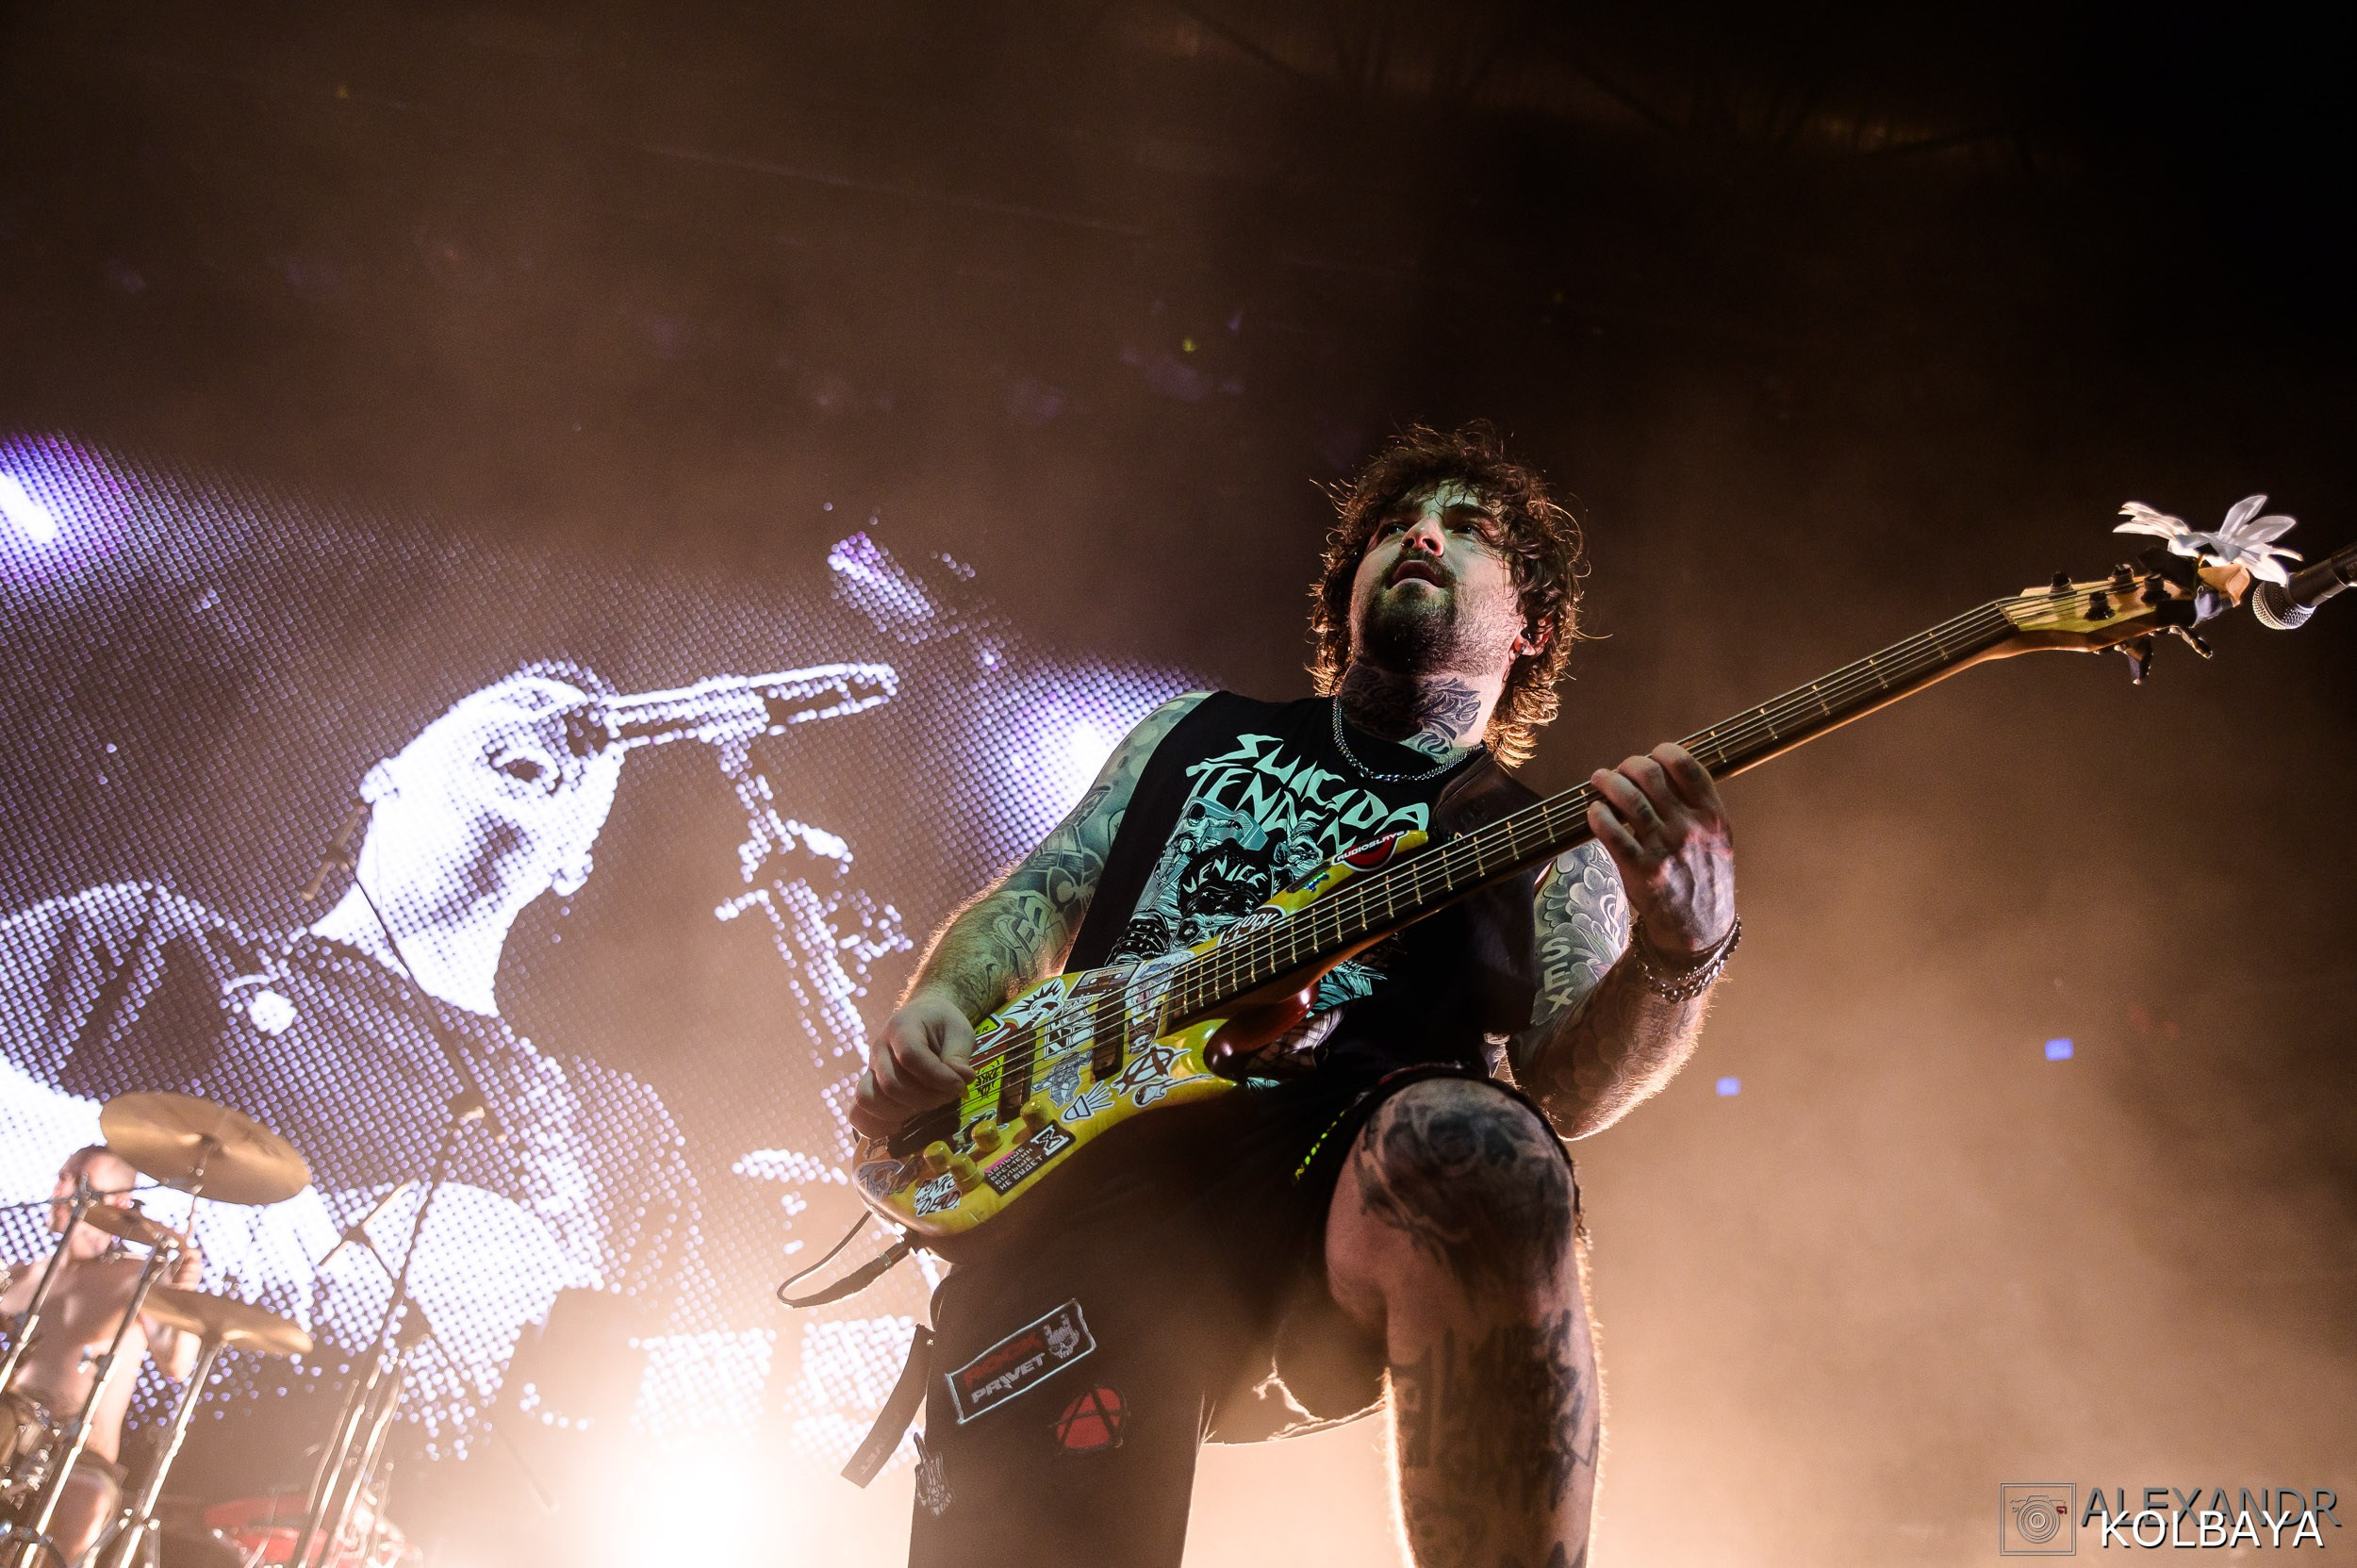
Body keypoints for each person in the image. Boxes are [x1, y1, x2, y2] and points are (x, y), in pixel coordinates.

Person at [850, 424, 1739, 1568]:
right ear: (1348, 588)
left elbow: (1573, 1086)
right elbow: (1041, 894)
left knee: (1484, 1145)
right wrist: (946, 1002)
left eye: (1467, 531)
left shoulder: (1545, 845)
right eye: (1393, 526)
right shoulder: (1194, 734)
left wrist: (1682, 952)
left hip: (1325, 1182)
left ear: (1532, 628)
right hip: (1088, 1184)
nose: (1420, 534)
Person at [0, 664, 701, 1448]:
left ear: (575, 861)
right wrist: (199, 1207)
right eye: (518, 704)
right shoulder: (157, 942)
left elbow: (674, 1420)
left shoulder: (615, 1128)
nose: (563, 723)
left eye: (594, 740)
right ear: (385, 778)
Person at [1, 1146, 202, 1565]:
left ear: (120, 1203)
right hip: (7, 1438)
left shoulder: (136, 1277)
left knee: (82, 1503)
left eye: (77, 1180)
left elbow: (179, 1366)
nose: (60, 1188)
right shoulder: (23, 1276)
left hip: (80, 1460)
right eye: (61, 1176)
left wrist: (185, 1289)